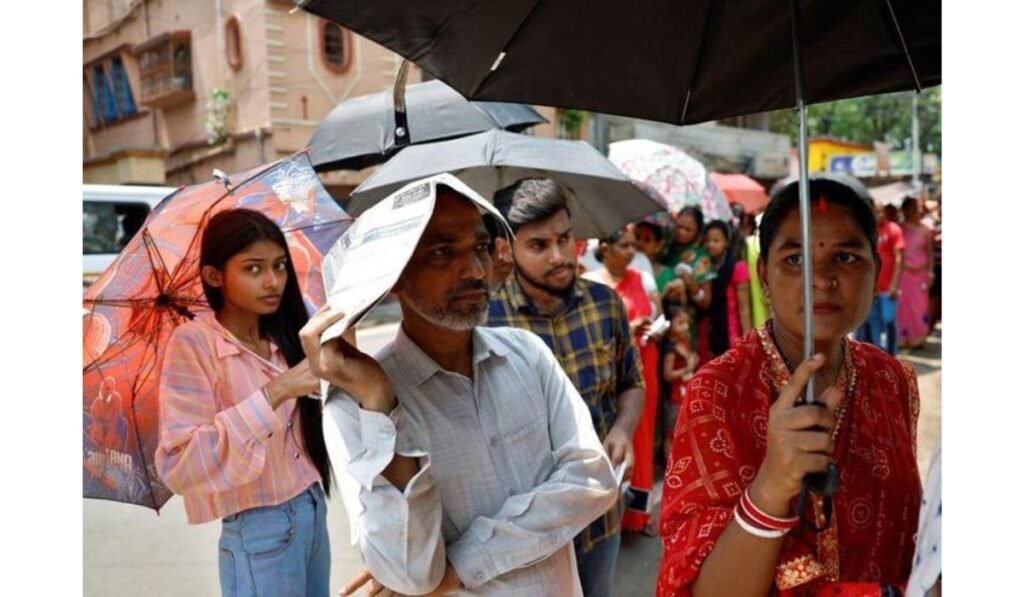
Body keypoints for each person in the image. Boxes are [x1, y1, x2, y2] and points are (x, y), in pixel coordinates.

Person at [303, 181, 619, 596]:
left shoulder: (527, 355)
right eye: (442, 252)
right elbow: (411, 574)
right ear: (393, 277)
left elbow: (592, 480)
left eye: (481, 248)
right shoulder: (355, 407)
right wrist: (381, 401)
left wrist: (460, 565)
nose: (473, 270)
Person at [657, 175, 922, 596]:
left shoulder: (894, 379)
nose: (821, 280)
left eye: (847, 258)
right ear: (764, 273)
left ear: (878, 269)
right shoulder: (717, 390)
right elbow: (704, 589)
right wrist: (771, 487)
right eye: (795, 260)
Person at [155, 209, 333, 597]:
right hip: (260, 529)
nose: (273, 282)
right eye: (253, 269)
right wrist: (276, 391)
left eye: (279, 266)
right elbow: (180, 464)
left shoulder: (283, 337)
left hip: (312, 509)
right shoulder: (194, 345)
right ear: (214, 276)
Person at [488, 177, 647, 597]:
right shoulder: (485, 320)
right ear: (507, 248)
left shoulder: (605, 304)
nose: (559, 257)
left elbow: (632, 382)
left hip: (601, 516)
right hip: (524, 531)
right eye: (538, 245)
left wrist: (623, 431)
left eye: (564, 238)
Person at [582, 227, 662, 535]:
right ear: (605, 247)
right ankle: (608, 511)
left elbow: (660, 315)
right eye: (624, 245)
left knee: (641, 437)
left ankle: (639, 515)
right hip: (608, 371)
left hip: (644, 364)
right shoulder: (591, 283)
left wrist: (655, 328)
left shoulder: (641, 279)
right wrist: (629, 326)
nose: (632, 251)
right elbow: (595, 337)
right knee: (610, 436)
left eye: (633, 245)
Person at [855, 202, 904, 355]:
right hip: (871, 289)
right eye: (876, 211)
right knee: (873, 324)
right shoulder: (866, 231)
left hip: (888, 289)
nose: (880, 214)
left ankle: (892, 357)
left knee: (888, 322)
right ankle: (878, 357)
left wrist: (894, 285)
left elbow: (899, 259)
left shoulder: (893, 229)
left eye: (881, 211)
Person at [700, 220, 752, 361]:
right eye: (708, 240)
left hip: (730, 331)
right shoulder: (703, 267)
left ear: (727, 242)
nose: (711, 244)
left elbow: (744, 308)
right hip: (709, 332)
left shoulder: (738, 267)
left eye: (716, 240)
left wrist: (747, 341)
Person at [660, 306, 698, 461]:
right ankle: (671, 465)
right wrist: (687, 368)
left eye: (686, 323)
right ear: (670, 326)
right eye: (680, 323)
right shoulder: (670, 349)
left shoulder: (686, 342)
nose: (685, 326)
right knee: (671, 433)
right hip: (674, 397)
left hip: (685, 392)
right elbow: (667, 375)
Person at [897, 197, 934, 349]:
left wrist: (930, 273)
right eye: (910, 208)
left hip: (920, 275)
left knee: (920, 307)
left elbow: (929, 253)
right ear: (904, 210)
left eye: (915, 207)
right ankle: (903, 339)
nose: (914, 211)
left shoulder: (925, 230)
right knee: (903, 307)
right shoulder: (899, 229)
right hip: (903, 274)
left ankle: (919, 339)